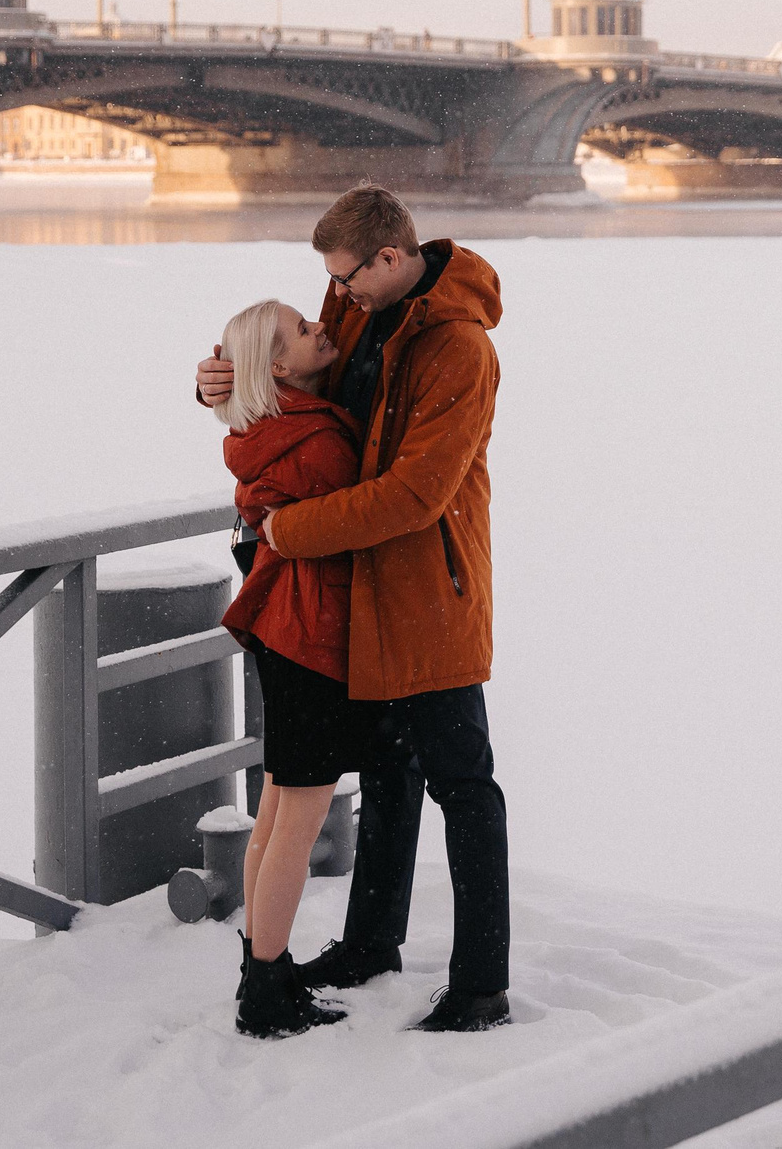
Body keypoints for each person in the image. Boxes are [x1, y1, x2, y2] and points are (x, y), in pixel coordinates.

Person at [196, 184, 512, 1033]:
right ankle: (372, 943)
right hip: (356, 593)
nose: (335, 298)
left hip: (426, 593)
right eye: (329, 283)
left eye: (347, 279)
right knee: (387, 770)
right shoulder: (362, 303)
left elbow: (415, 493)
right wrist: (218, 382)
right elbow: (285, 374)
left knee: (463, 782)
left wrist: (289, 530)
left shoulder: (461, 351)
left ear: (390, 258)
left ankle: (481, 985)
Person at [211, 297, 357, 1037]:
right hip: (309, 631)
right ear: (276, 366)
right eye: (303, 331)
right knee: (297, 817)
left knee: (277, 804)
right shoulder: (314, 440)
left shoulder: (261, 429)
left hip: (277, 625)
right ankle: (267, 991)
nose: (319, 330)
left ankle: (258, 965)